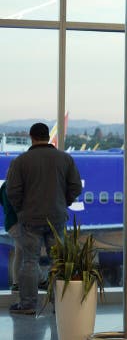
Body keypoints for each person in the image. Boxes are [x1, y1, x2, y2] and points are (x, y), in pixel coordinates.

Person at [5, 123, 82, 315]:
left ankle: (28, 305)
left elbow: (11, 191)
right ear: (48, 137)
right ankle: (60, 305)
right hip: (56, 218)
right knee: (58, 262)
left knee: (29, 261)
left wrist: (21, 211)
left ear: (31, 137)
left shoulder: (21, 161)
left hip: (30, 219)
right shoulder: (65, 159)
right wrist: (63, 202)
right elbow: (76, 187)